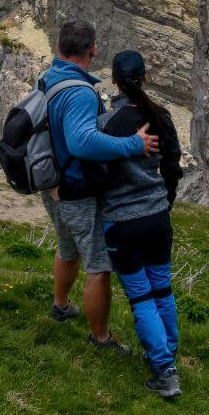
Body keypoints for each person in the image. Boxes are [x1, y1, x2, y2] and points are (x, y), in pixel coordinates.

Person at [40, 20, 159, 356]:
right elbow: (82, 142)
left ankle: (61, 305)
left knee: (67, 248)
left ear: (59, 45)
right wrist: (133, 146)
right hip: (74, 189)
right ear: (92, 49)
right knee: (98, 264)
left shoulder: (51, 77)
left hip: (51, 184)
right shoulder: (79, 91)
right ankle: (101, 339)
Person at [94, 50, 184, 398]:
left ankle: (164, 371)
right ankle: (165, 354)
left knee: (141, 297)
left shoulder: (107, 125)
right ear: (145, 77)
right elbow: (173, 162)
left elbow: (97, 173)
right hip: (158, 217)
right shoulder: (161, 116)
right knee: (162, 289)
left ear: (114, 80)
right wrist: (166, 200)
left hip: (122, 222)